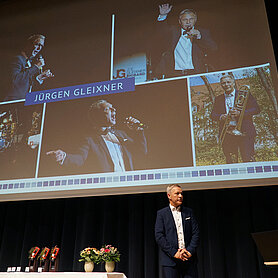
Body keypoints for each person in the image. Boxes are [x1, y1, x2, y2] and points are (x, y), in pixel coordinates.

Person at [46, 99, 147, 173]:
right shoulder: (89, 139)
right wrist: (64, 157)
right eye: (109, 109)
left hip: (129, 184)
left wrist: (139, 131)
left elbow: (141, 151)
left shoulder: (121, 135)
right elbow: (80, 158)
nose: (114, 110)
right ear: (98, 115)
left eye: (113, 108)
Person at [155, 3, 217, 78]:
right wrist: (162, 16)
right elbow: (161, 31)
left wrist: (199, 37)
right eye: (185, 20)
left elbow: (213, 48)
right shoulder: (173, 32)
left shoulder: (203, 32)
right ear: (179, 21)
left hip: (196, 72)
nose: (188, 22)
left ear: (195, 20)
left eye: (191, 19)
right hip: (174, 74)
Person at [211, 74, 260, 163]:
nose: (226, 85)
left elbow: (256, 109)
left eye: (228, 82)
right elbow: (213, 115)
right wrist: (221, 117)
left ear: (233, 83)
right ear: (221, 85)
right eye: (223, 83)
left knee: (248, 159)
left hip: (245, 132)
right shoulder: (218, 99)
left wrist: (240, 114)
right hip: (228, 134)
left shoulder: (245, 94)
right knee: (231, 161)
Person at [155, 184, 200, 278]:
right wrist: (174, 253)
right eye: (177, 193)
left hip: (189, 260)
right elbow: (159, 236)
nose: (180, 196)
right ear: (169, 196)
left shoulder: (189, 212)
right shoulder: (162, 214)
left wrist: (189, 251)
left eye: (181, 194)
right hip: (170, 261)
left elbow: (196, 233)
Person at [5, 34, 53, 101]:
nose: (39, 49)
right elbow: (14, 80)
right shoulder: (17, 59)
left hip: (22, 103)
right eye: (37, 44)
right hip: (11, 103)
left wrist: (39, 77)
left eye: (41, 46)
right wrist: (36, 67)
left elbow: (24, 83)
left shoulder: (28, 62)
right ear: (28, 44)